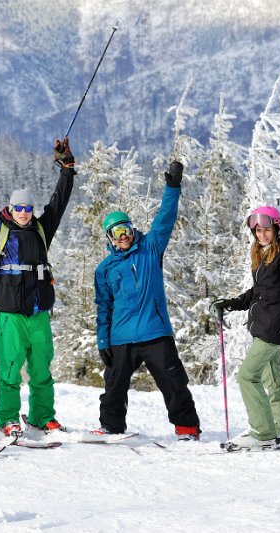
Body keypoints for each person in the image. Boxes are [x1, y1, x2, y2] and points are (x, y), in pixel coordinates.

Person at [0, 139, 76, 436]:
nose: (24, 212)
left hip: (38, 313)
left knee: (42, 370)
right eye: (19, 208)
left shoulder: (41, 228)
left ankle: (42, 416)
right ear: (11, 207)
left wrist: (67, 169)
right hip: (10, 314)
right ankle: (7, 418)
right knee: (10, 369)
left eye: (28, 208)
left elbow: (59, 202)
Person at [94, 161, 202, 441]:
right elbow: (103, 307)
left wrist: (172, 187)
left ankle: (187, 426)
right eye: (117, 232)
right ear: (110, 238)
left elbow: (165, 219)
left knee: (173, 381)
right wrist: (103, 340)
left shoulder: (150, 249)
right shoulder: (105, 269)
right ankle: (111, 427)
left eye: (127, 229)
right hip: (120, 337)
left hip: (154, 332)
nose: (124, 236)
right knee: (114, 386)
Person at [211, 205, 280, 451]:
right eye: (258, 230)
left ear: (276, 228)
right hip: (264, 325)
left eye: (266, 230)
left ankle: (262, 434)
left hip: (273, 326)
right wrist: (231, 304)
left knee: (247, 376)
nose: (262, 234)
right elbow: (258, 292)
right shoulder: (263, 255)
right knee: (274, 379)